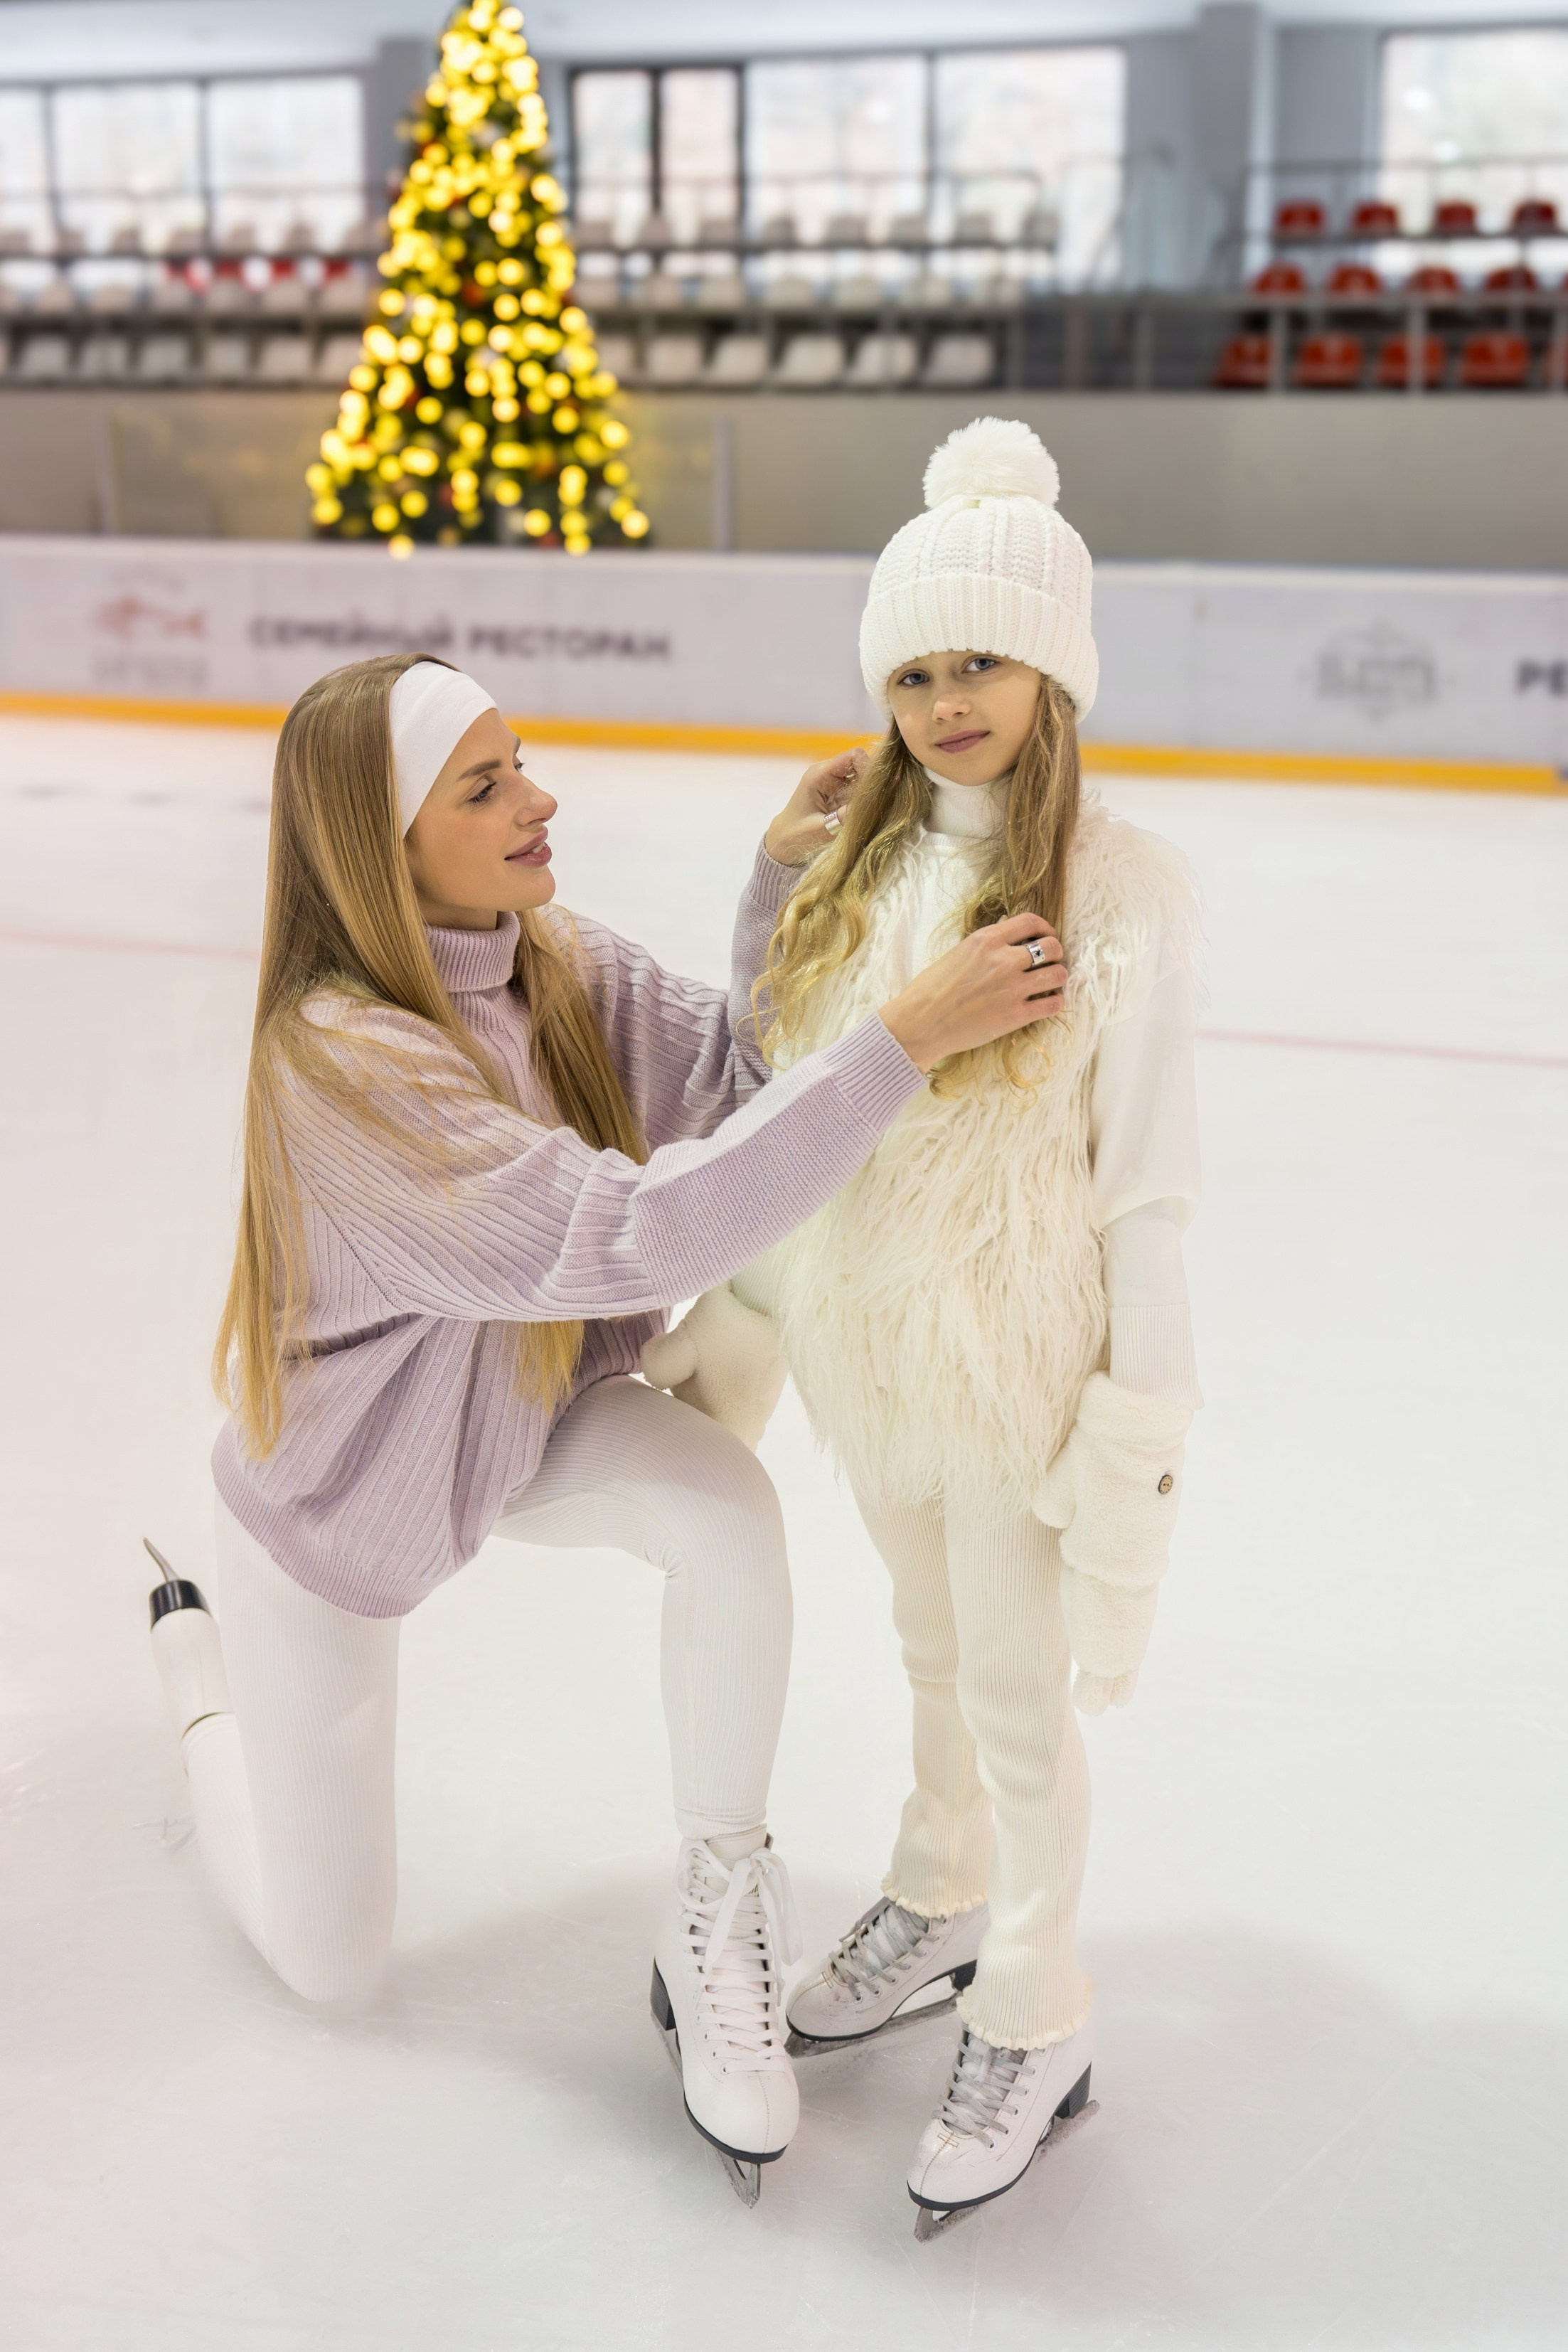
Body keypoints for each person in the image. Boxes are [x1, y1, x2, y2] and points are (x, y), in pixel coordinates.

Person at [146, 649, 1067, 2205]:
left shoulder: (543, 953)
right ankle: (195, 1694)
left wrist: (774, 889)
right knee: (329, 1963)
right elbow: (639, 1237)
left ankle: (715, 1892)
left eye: (523, 763)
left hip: (515, 1412)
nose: (539, 797)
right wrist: (903, 1039)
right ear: (382, 844)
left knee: (721, 1515)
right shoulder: (339, 1061)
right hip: (342, 1511)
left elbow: (727, 1091)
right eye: (486, 784)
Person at [645, 418, 1202, 2234]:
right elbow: (779, 1099)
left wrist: (1136, 1411)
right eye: (913, 669)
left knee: (1025, 1701)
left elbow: (1144, 1183)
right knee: (933, 1655)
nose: (947, 699)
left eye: (979, 660)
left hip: (1023, 1366)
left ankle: (1036, 2011)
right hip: (877, 1356)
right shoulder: (857, 873)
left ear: (1051, 666)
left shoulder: (1122, 896)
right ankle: (941, 1887)